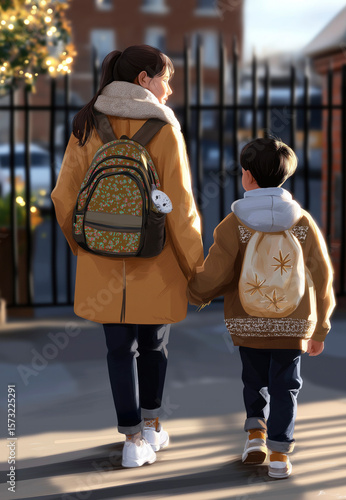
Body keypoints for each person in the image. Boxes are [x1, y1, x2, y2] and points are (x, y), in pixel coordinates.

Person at [51, 45, 203, 468]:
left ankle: (132, 439)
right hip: (155, 262)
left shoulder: (87, 123)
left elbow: (64, 198)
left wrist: (84, 245)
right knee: (154, 345)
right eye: (164, 79)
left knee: (119, 350)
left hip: (102, 262)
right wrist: (195, 269)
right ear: (143, 80)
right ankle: (153, 427)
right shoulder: (165, 130)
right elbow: (180, 208)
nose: (169, 89)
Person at [187, 138, 335, 479]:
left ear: (247, 176)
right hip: (294, 324)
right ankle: (280, 455)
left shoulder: (233, 224)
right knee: (286, 387)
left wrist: (193, 292)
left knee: (253, 381)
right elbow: (322, 274)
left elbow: (217, 274)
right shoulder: (301, 222)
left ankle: (256, 436)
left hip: (248, 321)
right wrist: (320, 328)